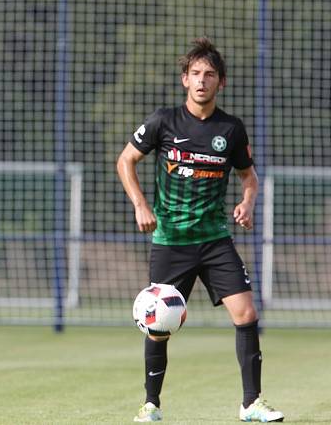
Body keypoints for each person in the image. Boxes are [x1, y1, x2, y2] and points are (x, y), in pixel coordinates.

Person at [116, 37, 284, 423]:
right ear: (184, 80)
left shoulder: (231, 128)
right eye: (195, 74)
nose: (201, 81)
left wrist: (247, 202)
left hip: (214, 241)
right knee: (159, 326)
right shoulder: (164, 121)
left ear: (220, 83)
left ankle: (251, 403)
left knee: (246, 314)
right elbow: (126, 161)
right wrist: (141, 205)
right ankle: (151, 404)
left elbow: (250, 177)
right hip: (171, 241)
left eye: (209, 75)